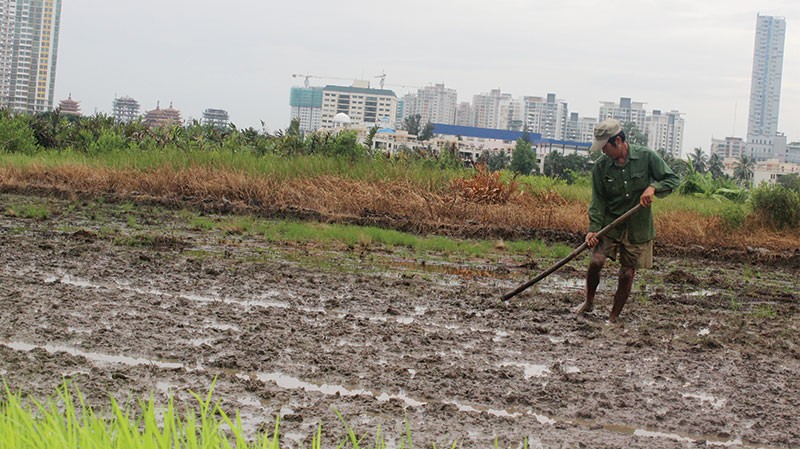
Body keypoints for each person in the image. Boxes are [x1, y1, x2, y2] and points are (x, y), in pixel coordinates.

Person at [575, 118, 679, 322]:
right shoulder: (601, 167)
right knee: (596, 261)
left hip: (637, 227)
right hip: (610, 224)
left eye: (605, 147)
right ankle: (588, 302)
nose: (603, 152)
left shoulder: (647, 157)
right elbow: (598, 200)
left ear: (619, 141)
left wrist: (653, 188)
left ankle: (613, 317)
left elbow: (672, 179)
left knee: (627, 274)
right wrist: (593, 229)